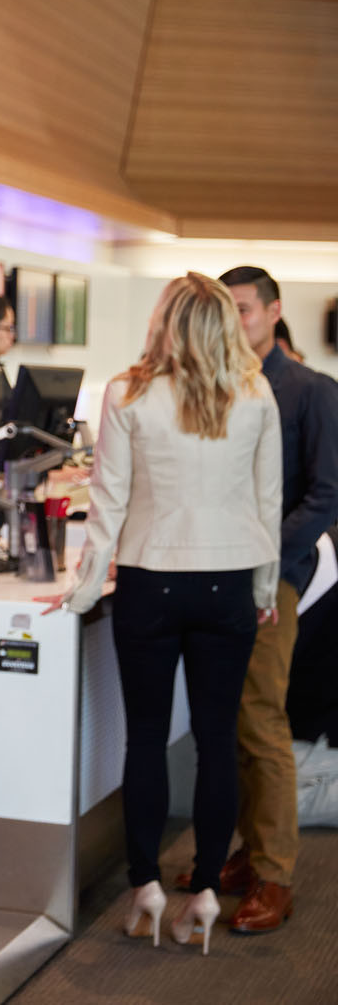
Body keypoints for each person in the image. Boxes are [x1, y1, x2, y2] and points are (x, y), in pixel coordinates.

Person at [36, 273, 281, 954]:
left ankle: (145, 884)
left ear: (165, 322)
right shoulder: (256, 391)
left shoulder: (129, 391)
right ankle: (204, 890)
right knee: (215, 741)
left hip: (150, 579)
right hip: (229, 583)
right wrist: (263, 592)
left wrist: (82, 591)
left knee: (144, 739)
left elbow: (107, 504)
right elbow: (269, 502)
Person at [205, 265, 338, 932]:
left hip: (276, 571)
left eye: (245, 310)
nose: (236, 322)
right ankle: (248, 851)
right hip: (214, 570)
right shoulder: (219, 386)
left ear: (273, 310)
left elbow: (327, 494)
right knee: (227, 716)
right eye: (225, 311)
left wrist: (262, 550)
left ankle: (276, 873)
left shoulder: (312, 390)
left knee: (260, 715)